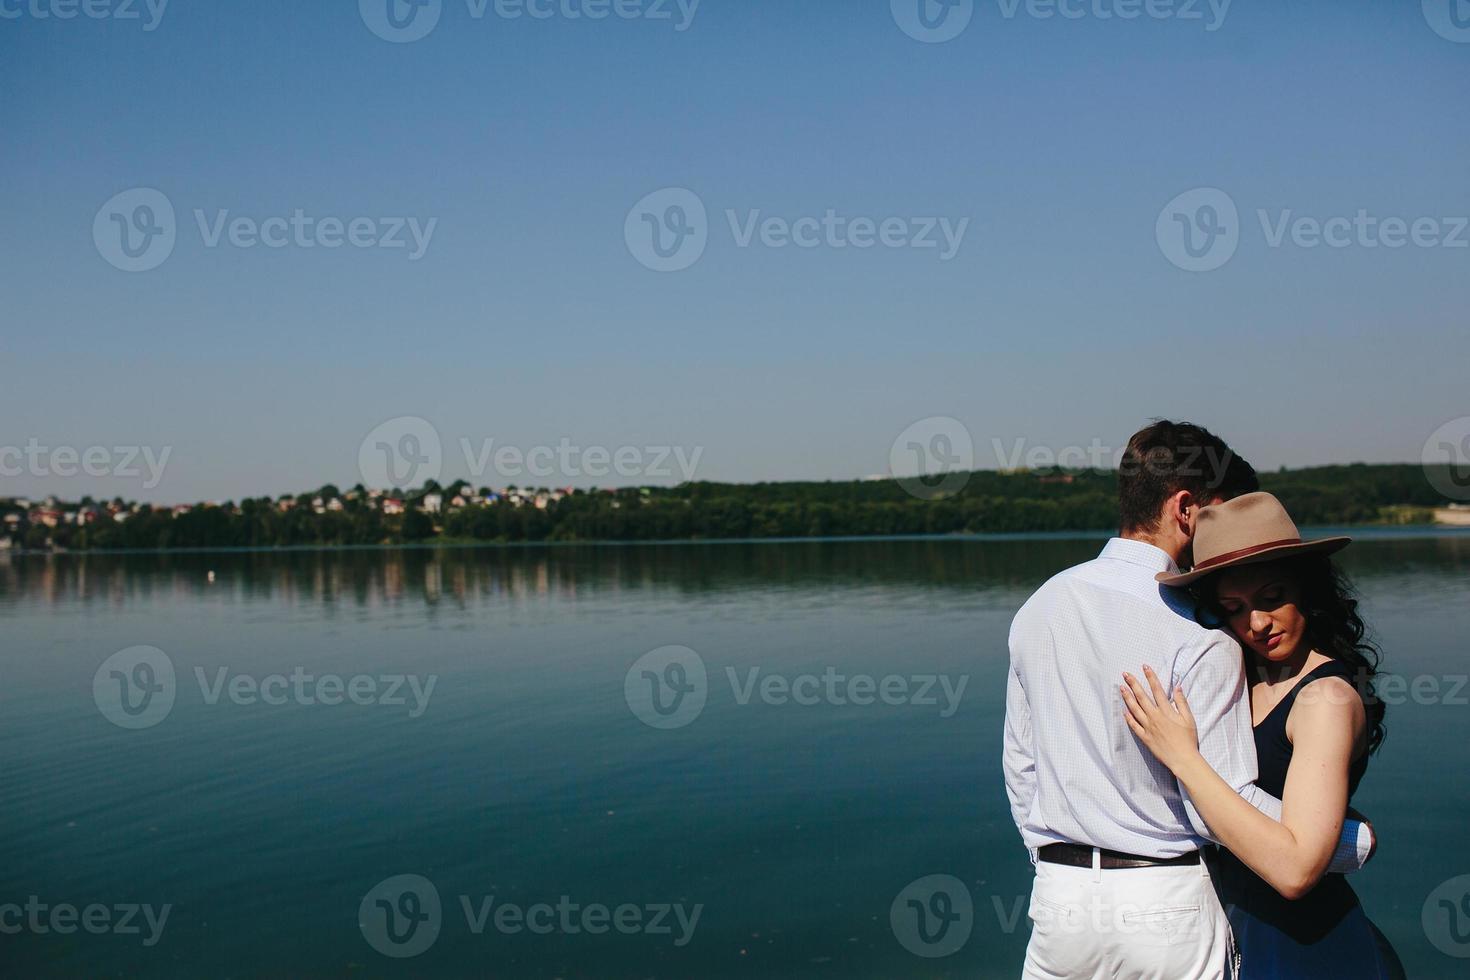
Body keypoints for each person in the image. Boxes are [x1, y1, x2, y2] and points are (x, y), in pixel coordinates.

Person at [1003, 420, 1376, 980]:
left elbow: (1021, 767)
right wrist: (1349, 842)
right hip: (1168, 902)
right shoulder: (1201, 634)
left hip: (1062, 903)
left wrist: (1052, 863)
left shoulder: (1039, 605)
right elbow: (1221, 797)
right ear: (1186, 510)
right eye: (1222, 511)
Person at [1120, 491, 1402, 977]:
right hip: (1242, 936)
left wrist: (1183, 758)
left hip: (1313, 953)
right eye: (1233, 608)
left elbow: (1296, 871)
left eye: (1273, 598)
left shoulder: (1325, 700)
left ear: (1309, 591)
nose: (1256, 623)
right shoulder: (1244, 677)